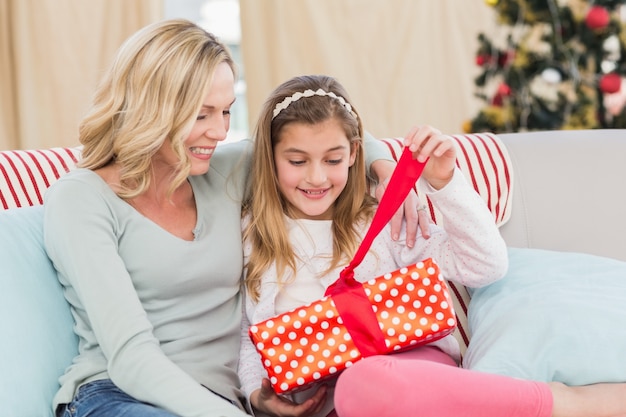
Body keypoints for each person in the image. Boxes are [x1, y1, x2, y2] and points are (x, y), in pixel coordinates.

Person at [42, 19, 427, 417]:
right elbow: (130, 358)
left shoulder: (223, 171)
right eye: (202, 114)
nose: (220, 131)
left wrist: (383, 168)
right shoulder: (82, 199)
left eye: (226, 111)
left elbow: (323, 136)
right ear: (152, 107)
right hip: (116, 395)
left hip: (219, 402)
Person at [238, 74, 626, 417]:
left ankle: (562, 403)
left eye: (333, 159)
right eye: (297, 161)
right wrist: (257, 396)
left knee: (360, 383)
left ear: (355, 153)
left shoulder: (382, 218)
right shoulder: (254, 234)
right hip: (329, 404)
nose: (317, 176)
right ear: (270, 158)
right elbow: (245, 333)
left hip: (411, 373)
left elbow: (486, 266)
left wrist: (445, 182)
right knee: (352, 394)